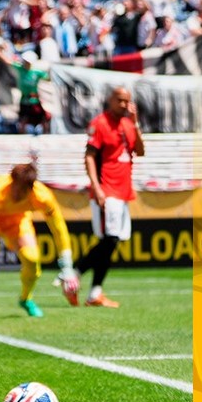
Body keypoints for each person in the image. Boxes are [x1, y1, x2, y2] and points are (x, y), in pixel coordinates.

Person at [0, 161, 79, 319]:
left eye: (21, 190)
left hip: (17, 220)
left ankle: (26, 299)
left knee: (32, 259)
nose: (16, 193)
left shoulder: (43, 197)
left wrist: (67, 267)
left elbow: (59, 229)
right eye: (14, 187)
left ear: (31, 188)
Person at [73, 87, 143, 308]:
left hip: (123, 190)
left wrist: (136, 123)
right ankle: (76, 273)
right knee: (110, 238)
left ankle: (92, 290)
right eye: (119, 100)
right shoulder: (100, 123)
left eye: (126, 101)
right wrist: (97, 188)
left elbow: (140, 151)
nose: (123, 104)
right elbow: (89, 156)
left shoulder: (128, 124)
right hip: (107, 188)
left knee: (113, 241)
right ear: (110, 100)